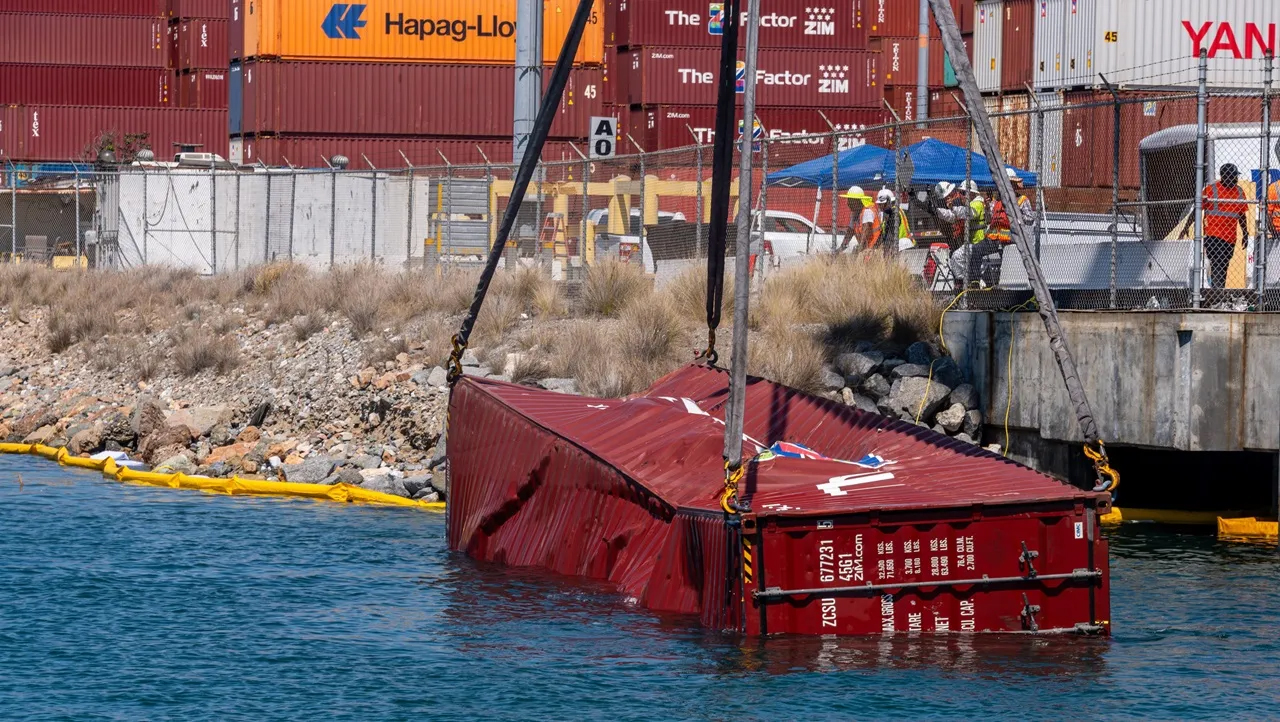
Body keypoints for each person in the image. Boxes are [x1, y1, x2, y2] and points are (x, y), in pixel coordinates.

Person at [929, 180, 995, 286]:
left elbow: (968, 213)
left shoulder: (977, 203)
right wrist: (937, 211)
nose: (961, 196)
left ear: (972, 193)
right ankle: (966, 281)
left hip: (979, 241)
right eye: (962, 193)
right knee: (956, 257)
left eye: (964, 193)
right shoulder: (970, 204)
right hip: (972, 243)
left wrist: (953, 208)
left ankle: (968, 281)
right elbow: (952, 216)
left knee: (956, 256)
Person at [1201, 163, 1249, 291]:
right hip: (1214, 235)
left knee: (1224, 264)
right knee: (1218, 262)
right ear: (1224, 176)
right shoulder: (1211, 190)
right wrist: (1186, 228)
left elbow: (1242, 215)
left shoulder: (1239, 191)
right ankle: (1217, 292)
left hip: (1230, 237)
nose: (1235, 179)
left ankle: (1219, 290)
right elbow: (1197, 208)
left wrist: (1245, 233)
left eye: (1235, 176)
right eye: (1232, 176)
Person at [987, 168, 1034, 244]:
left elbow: (1030, 219)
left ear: (1014, 185)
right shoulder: (995, 200)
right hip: (994, 238)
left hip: (1012, 238)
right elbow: (990, 218)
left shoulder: (1022, 199)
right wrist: (986, 208)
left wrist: (1017, 217)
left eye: (1009, 183)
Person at [867, 188, 910, 256]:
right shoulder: (891, 213)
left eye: (881, 204)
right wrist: (874, 248)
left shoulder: (894, 214)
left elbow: (890, 234)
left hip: (902, 245)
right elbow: (883, 234)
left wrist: (886, 249)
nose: (879, 206)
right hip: (900, 245)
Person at [837, 185, 878, 253]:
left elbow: (866, 229)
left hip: (874, 247)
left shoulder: (867, 211)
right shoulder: (855, 213)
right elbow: (850, 231)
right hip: (865, 246)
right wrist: (841, 248)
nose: (848, 203)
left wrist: (860, 248)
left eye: (850, 200)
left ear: (857, 201)